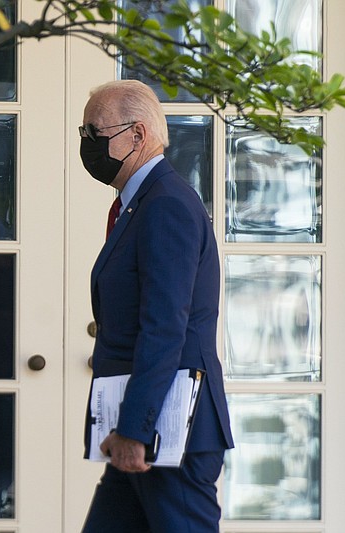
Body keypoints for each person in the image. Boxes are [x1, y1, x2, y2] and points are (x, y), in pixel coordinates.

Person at [79, 80, 234, 532]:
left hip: (170, 435)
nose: (87, 143)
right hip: (147, 432)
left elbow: (165, 327)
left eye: (96, 132)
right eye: (83, 132)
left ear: (137, 135)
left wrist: (135, 429)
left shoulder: (166, 204)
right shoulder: (139, 204)